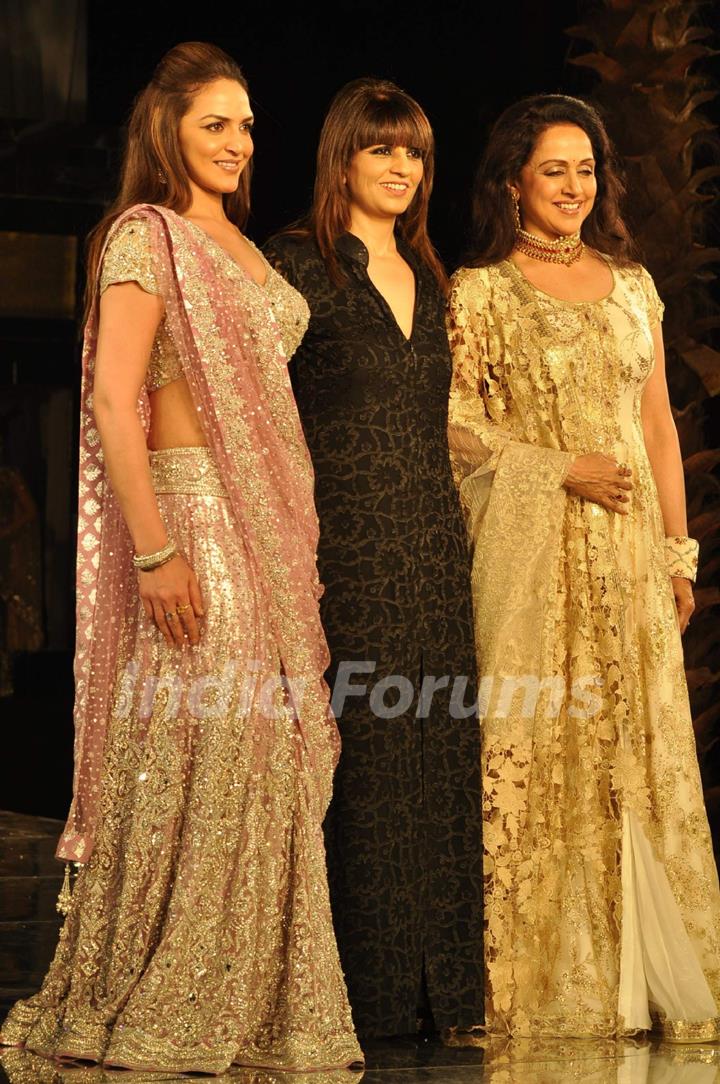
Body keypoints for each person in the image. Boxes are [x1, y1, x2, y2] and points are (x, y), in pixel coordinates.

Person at [0, 42, 362, 1074]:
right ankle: (167, 992)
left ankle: (256, 999)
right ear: (167, 131)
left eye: (247, 125)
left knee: (265, 761)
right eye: (216, 123)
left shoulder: (246, 249)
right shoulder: (144, 238)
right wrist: (156, 548)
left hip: (271, 531)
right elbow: (115, 399)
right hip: (195, 519)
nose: (239, 142)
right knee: (203, 754)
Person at [447, 92, 720, 1040]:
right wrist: (561, 470)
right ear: (513, 182)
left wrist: (678, 555)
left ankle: (644, 975)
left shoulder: (632, 284)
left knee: (636, 754)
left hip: (632, 558)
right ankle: (549, 980)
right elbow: (456, 429)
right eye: (553, 168)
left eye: (585, 169)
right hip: (536, 557)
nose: (572, 185)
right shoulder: (479, 291)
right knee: (543, 743)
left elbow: (655, 426)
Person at [264, 78, 484, 1039]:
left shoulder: (438, 280)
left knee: (439, 753)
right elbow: (253, 421)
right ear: (342, 157)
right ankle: (366, 997)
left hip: (435, 548)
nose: (402, 168)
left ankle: (444, 995)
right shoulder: (293, 269)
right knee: (366, 764)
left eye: (417, 154)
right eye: (383, 149)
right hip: (343, 551)